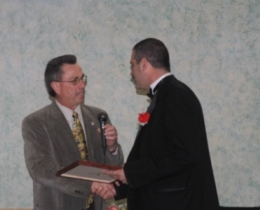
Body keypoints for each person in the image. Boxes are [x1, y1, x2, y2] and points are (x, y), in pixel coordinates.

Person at [104, 38, 220, 209]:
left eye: (132, 65)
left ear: (143, 64)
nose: (131, 72)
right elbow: (157, 156)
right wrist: (118, 188)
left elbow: (183, 154)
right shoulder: (167, 95)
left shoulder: (176, 96)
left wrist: (129, 173)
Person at [22, 54, 124, 210]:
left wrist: (112, 148)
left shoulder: (98, 116)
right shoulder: (36, 122)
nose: (82, 85)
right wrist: (89, 185)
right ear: (56, 86)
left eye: (83, 78)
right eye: (74, 81)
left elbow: (112, 169)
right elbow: (41, 168)